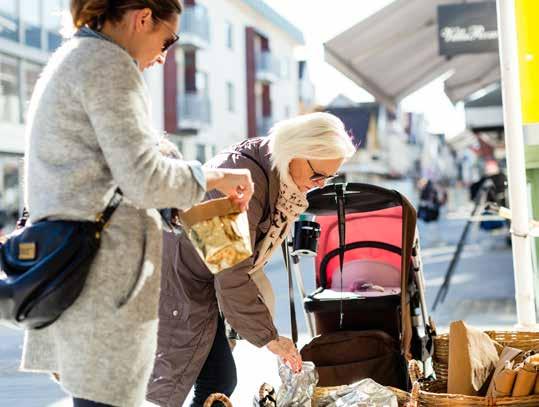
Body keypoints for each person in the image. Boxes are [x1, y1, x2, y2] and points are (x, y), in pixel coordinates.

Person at [20, 2, 253, 406]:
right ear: (142, 17)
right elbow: (143, 179)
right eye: (167, 40)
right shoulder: (107, 64)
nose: (163, 57)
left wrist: (176, 206)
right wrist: (216, 177)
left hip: (77, 281)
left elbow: (111, 176)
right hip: (101, 291)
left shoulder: (75, 58)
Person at [146, 112, 357, 407]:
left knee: (216, 379)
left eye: (329, 177)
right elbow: (232, 271)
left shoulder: (271, 170)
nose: (321, 185)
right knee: (208, 380)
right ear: (295, 152)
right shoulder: (239, 179)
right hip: (181, 281)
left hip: (196, 280)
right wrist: (270, 338)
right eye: (317, 175)